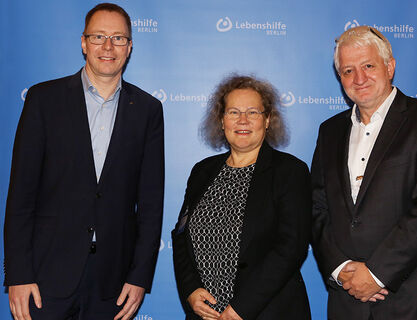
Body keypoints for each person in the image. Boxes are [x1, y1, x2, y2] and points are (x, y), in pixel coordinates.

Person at [4, 3, 164, 320]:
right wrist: (18, 274)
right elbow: (21, 195)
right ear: (83, 42)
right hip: (45, 277)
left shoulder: (148, 110)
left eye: (118, 38)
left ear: (129, 47)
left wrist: (139, 277)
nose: (108, 47)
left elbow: (150, 203)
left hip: (113, 283)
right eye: (98, 36)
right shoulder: (43, 100)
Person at [311, 26, 417, 320]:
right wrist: (341, 270)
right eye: (347, 70)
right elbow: (317, 209)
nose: (359, 78)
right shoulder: (329, 131)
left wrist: (378, 274)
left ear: (390, 67)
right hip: (348, 303)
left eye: (368, 66)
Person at [172, 75, 311, 320]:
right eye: (233, 112)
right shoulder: (202, 172)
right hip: (207, 315)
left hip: (266, 312)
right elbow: (181, 236)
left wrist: (240, 309)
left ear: (268, 120)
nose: (243, 120)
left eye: (253, 112)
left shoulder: (290, 172)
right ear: (222, 120)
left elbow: (291, 248)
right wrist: (190, 290)